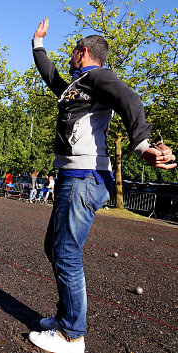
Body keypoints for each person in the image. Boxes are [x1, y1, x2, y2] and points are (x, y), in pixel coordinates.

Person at [28, 18, 176, 353]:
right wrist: (37, 43)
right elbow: (51, 76)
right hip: (71, 175)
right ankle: (66, 317)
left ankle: (71, 336)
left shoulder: (99, 77)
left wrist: (142, 145)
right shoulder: (77, 86)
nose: (69, 56)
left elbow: (129, 100)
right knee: (54, 247)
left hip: (85, 176)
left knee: (66, 252)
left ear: (82, 52)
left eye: (73, 51)